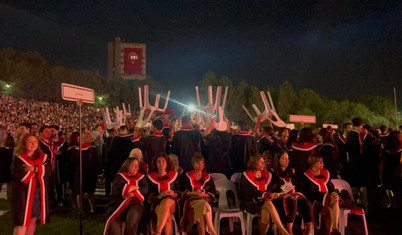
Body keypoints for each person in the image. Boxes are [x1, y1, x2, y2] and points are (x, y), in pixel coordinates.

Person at [238, 154, 290, 235]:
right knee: (268, 203)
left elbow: (277, 184)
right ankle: (284, 232)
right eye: (261, 162)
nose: (263, 164)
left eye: (263, 162)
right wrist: (268, 195)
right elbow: (253, 192)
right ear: (254, 163)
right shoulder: (246, 175)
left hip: (263, 201)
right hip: (250, 202)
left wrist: (282, 190)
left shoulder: (266, 174)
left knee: (266, 214)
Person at [12, 134, 51, 235]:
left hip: (37, 192)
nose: (33, 144)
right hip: (23, 194)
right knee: (22, 222)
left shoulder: (43, 157)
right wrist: (38, 173)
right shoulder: (19, 158)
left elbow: (48, 171)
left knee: (32, 220)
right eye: (30, 142)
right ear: (24, 143)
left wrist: (35, 169)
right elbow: (20, 175)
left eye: (35, 142)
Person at [272, 149, 313, 235]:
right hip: (279, 199)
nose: (287, 161)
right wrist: (286, 194)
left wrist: (296, 194)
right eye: (284, 159)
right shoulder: (272, 173)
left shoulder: (291, 172)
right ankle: (289, 231)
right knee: (292, 201)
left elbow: (297, 186)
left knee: (306, 203)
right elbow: (273, 189)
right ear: (278, 159)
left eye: (288, 158)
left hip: (292, 196)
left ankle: (308, 231)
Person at [104, 157, 148, 235]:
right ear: (127, 165)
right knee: (115, 230)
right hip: (117, 205)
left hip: (135, 204)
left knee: (133, 219)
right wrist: (136, 188)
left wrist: (134, 193)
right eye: (133, 165)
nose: (136, 168)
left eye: (137, 166)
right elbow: (120, 190)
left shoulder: (141, 178)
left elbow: (144, 189)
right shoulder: (120, 176)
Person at [301, 153, 340, 235]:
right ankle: (332, 231)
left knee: (334, 201)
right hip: (314, 202)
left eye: (322, 161)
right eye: (320, 162)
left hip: (328, 200)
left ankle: (334, 229)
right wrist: (326, 197)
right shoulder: (306, 176)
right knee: (332, 205)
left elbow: (331, 188)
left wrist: (333, 194)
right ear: (313, 164)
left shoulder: (325, 173)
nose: (322, 164)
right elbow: (310, 194)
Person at [180, 153, 217, 235]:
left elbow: (213, 191)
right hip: (191, 203)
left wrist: (205, 194)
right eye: (197, 163)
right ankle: (212, 230)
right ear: (193, 164)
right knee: (203, 205)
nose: (200, 165)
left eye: (201, 163)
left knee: (201, 213)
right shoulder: (187, 176)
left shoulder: (207, 177)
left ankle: (210, 231)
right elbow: (183, 192)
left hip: (203, 202)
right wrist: (194, 193)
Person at [147, 153, 181, 235]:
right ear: (156, 164)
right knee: (167, 216)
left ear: (167, 163)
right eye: (159, 162)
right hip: (157, 204)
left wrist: (173, 194)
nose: (161, 164)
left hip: (172, 202)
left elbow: (180, 192)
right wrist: (159, 196)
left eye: (163, 161)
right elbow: (148, 196)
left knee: (167, 201)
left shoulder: (174, 175)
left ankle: (158, 232)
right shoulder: (150, 177)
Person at [69, 132, 101, 213]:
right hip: (88, 173)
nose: (91, 138)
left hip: (80, 173)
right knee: (88, 192)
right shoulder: (92, 149)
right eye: (89, 137)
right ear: (85, 138)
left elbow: (72, 163)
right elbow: (97, 161)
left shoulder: (77, 150)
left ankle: (81, 209)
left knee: (81, 192)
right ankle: (91, 208)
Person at [380, 130, 402, 207]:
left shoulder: (384, 145)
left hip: (386, 169)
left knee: (387, 186)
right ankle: (395, 203)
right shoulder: (399, 147)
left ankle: (389, 201)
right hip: (396, 171)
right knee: (396, 187)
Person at [0, 134, 15, 200]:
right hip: (10, 169)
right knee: (10, 185)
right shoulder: (14, 151)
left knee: (0, 184)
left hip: (2, 169)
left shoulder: (2, 150)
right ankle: (9, 197)